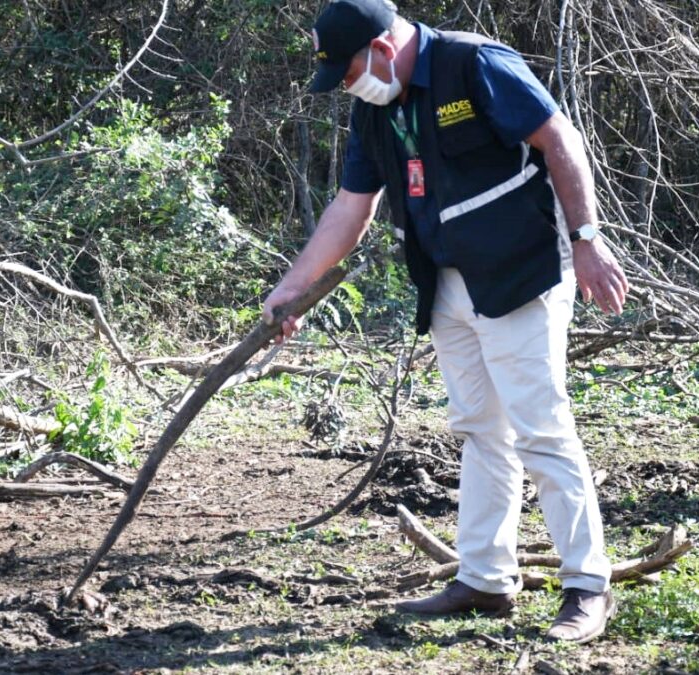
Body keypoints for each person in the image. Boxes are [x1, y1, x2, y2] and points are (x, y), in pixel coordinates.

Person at [263, 0, 629, 643]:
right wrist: (295, 289)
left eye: (347, 71)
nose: (347, 86)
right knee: (479, 430)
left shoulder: (473, 62)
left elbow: (558, 138)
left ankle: (587, 587)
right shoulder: (373, 111)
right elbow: (352, 208)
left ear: (380, 49)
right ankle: (486, 579)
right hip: (446, 283)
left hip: (519, 273)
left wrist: (587, 237)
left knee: (540, 427)